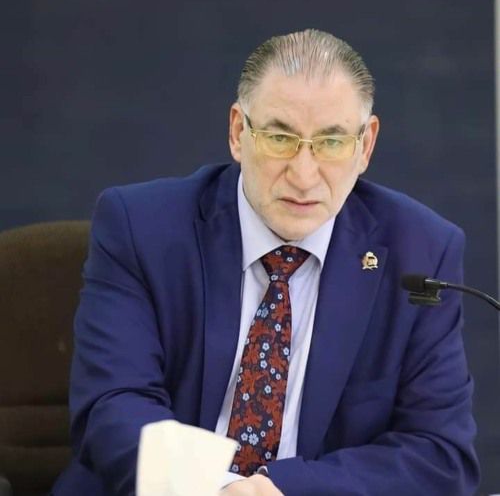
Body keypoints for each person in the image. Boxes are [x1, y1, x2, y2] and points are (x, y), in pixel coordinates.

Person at [52, 29, 479, 495]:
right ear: (238, 132)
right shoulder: (142, 228)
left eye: (331, 143)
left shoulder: (422, 251)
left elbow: (439, 453)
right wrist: (217, 488)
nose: (304, 175)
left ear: (365, 146)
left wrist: (282, 489)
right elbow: (112, 407)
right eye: (279, 138)